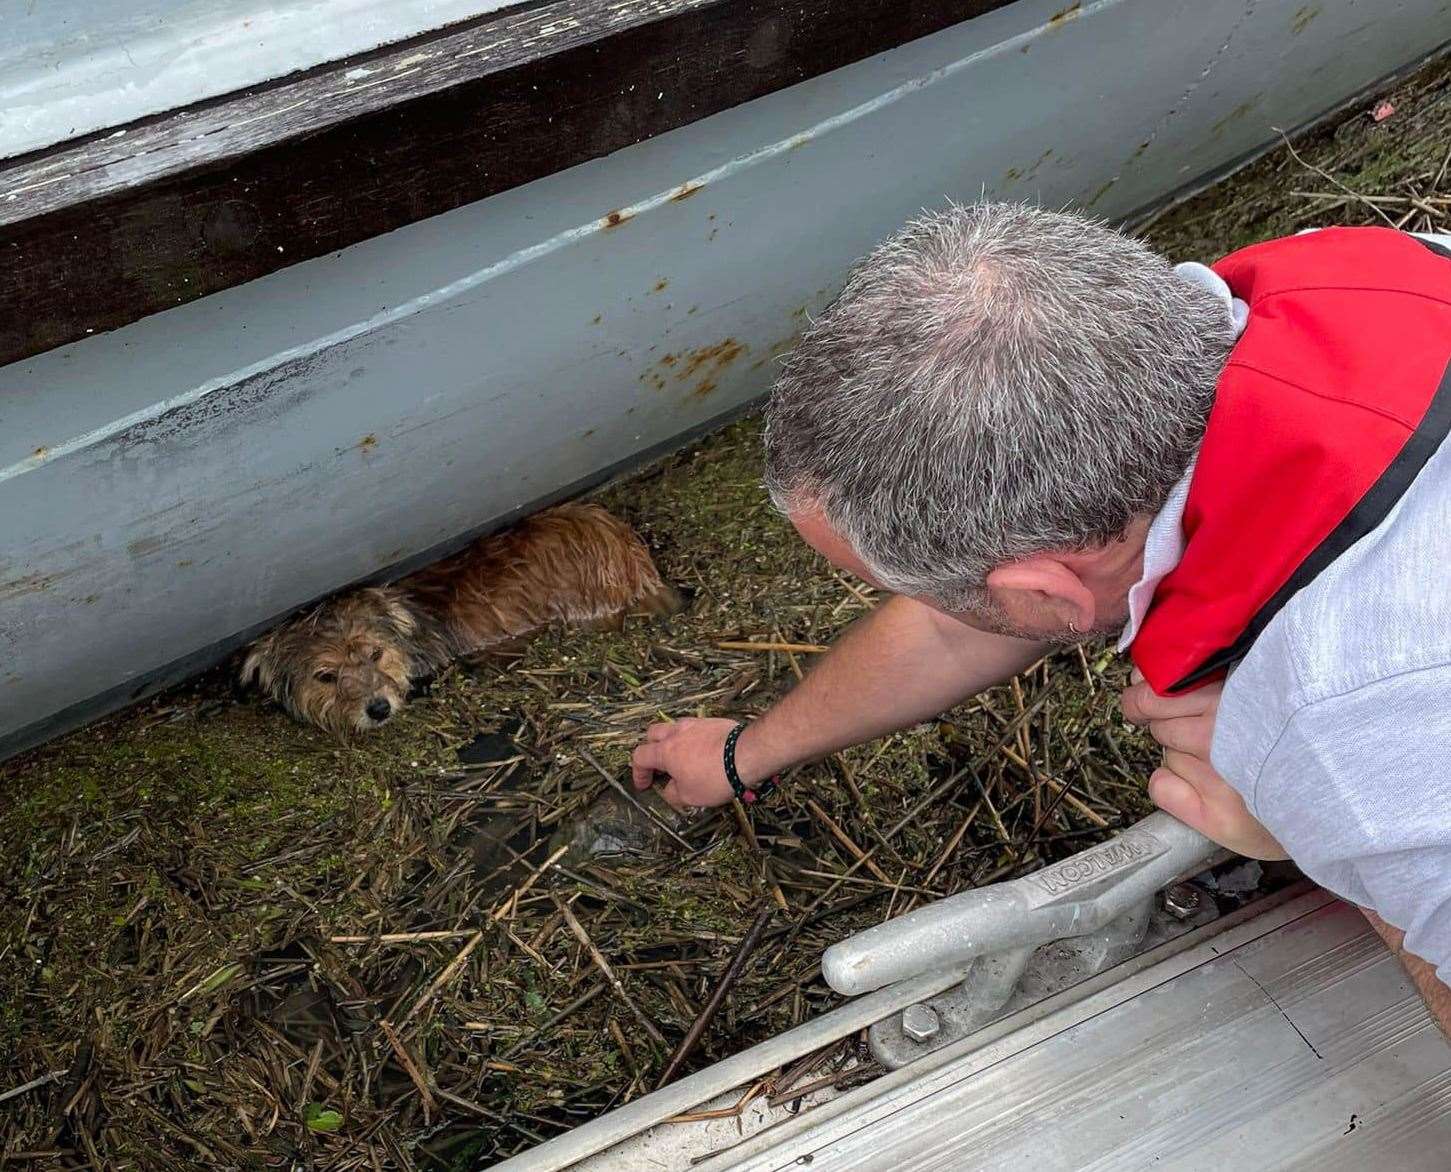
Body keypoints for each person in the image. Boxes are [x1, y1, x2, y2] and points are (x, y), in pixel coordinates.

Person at [629, 202, 1451, 1031]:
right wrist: (744, 753)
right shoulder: (1355, 267)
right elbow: (959, 626)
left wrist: (1305, 835)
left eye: (921, 586)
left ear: (1049, 595)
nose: (927, 608)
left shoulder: (1344, 731)